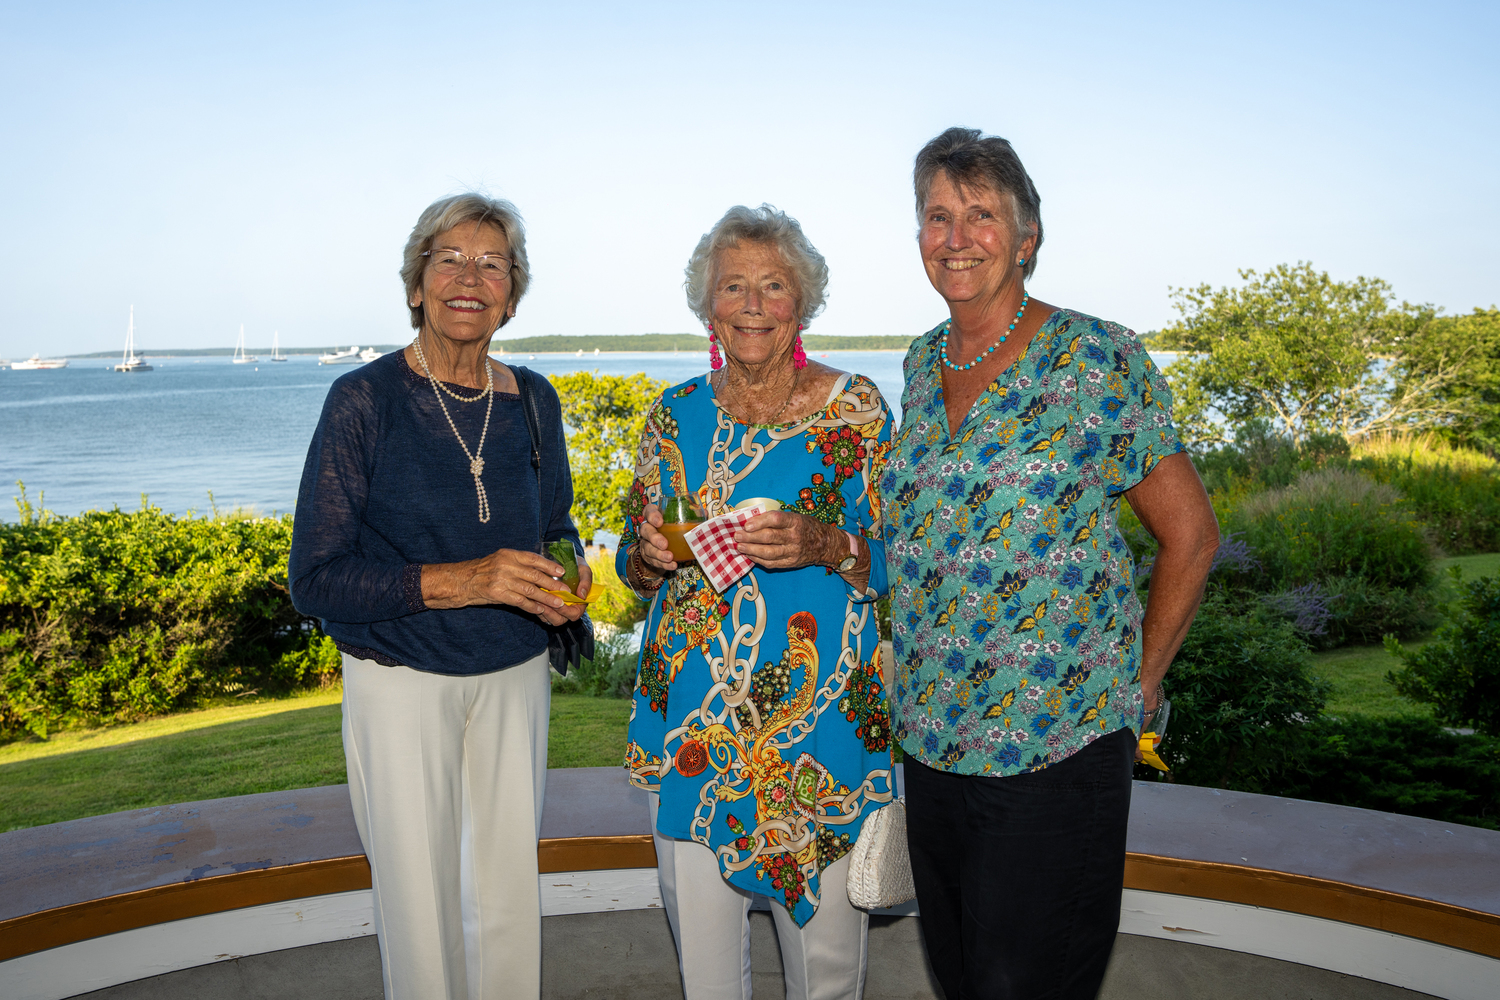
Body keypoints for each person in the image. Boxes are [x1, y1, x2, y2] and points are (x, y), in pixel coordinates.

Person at [880, 128, 1220, 999]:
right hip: (934, 744)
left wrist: (1139, 690)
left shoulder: (1097, 358)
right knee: (962, 980)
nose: (956, 236)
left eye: (982, 215)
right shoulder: (922, 365)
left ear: (1027, 239)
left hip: (1055, 749)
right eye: (937, 216)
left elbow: (1192, 536)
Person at [289, 193, 590, 1000]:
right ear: (416, 285)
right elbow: (315, 578)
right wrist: (467, 580)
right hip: (402, 681)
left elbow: (556, 524)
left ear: (512, 296)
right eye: (448, 259)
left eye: (492, 263)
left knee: (506, 902)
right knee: (418, 908)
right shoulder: (364, 400)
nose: (469, 277)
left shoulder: (533, 398)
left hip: (514, 677)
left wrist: (571, 573)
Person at [620, 204, 895, 1000]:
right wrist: (644, 557)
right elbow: (643, 573)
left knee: (828, 973)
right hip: (695, 731)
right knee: (705, 972)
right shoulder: (673, 415)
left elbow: (907, 565)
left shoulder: (859, 411)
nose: (750, 303)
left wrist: (828, 544)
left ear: (802, 304)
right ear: (707, 306)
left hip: (825, 734)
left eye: (772, 285)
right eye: (732, 285)